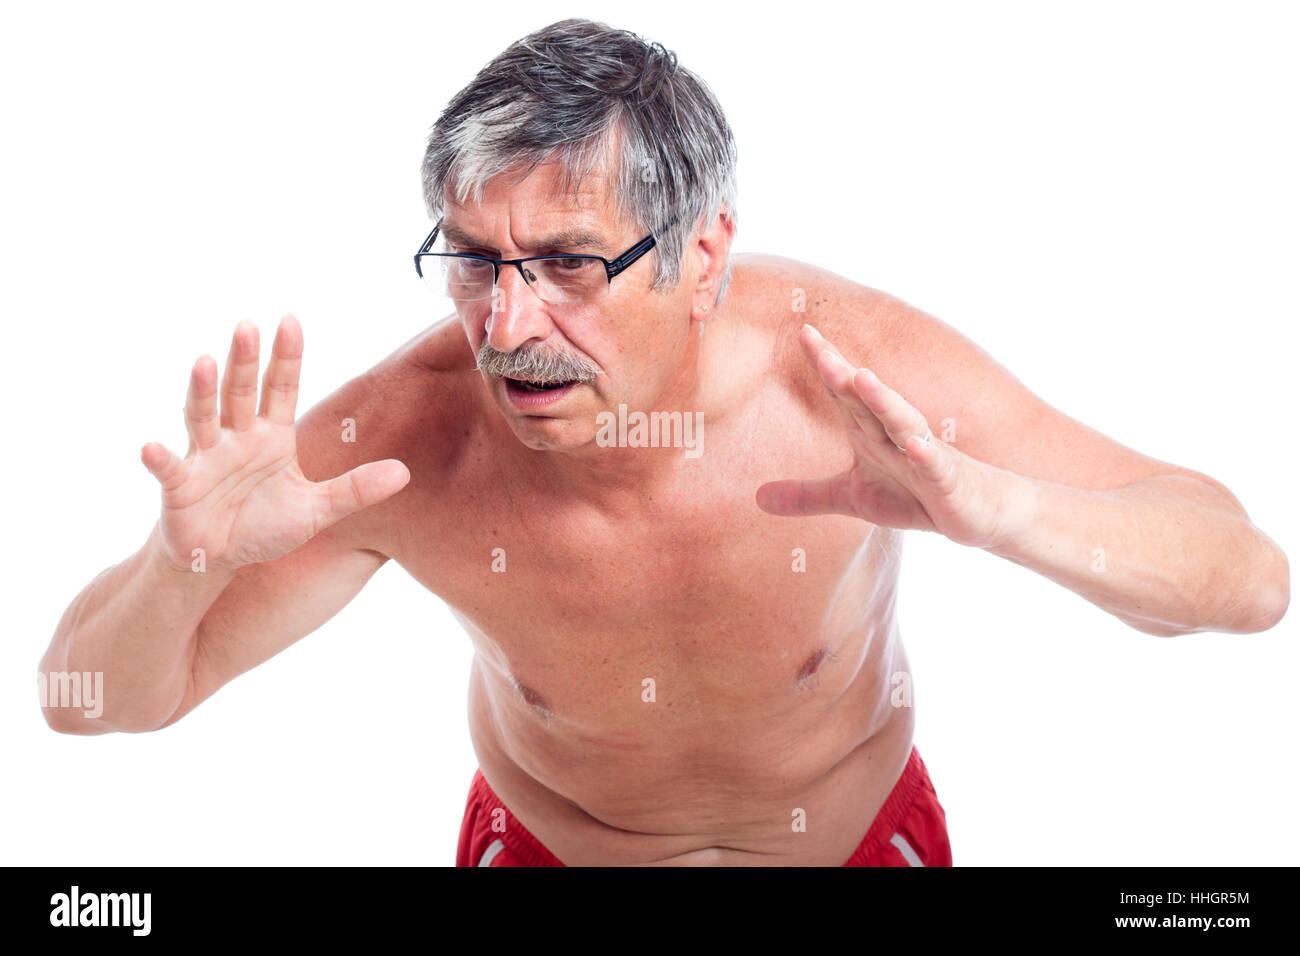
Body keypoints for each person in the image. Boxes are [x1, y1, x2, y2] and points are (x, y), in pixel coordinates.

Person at [39, 18, 1289, 866]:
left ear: (701, 257)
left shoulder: (842, 371)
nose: (507, 323)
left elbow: (1244, 580)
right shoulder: (400, 440)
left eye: (570, 265)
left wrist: (1001, 511)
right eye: (473, 261)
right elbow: (87, 704)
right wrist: (179, 567)